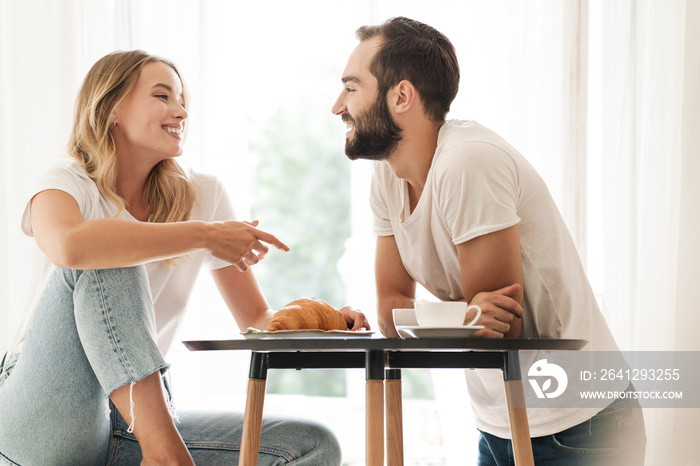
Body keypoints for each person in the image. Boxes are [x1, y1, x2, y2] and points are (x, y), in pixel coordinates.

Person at [0, 50, 367, 465]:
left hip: (133, 421)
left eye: (182, 101)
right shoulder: (66, 179)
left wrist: (324, 319)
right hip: (44, 412)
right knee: (111, 256)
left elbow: (257, 320)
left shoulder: (203, 195)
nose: (180, 111)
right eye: (162, 96)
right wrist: (205, 236)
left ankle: (163, 452)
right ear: (111, 107)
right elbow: (70, 245)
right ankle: (166, 456)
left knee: (313, 445)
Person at [332, 17, 646, 465]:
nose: (338, 106)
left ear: (401, 96)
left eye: (351, 88)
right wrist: (460, 314)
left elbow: (500, 329)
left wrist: (434, 316)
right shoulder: (387, 175)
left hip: (580, 424)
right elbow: (390, 309)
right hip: (499, 421)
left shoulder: (468, 162)